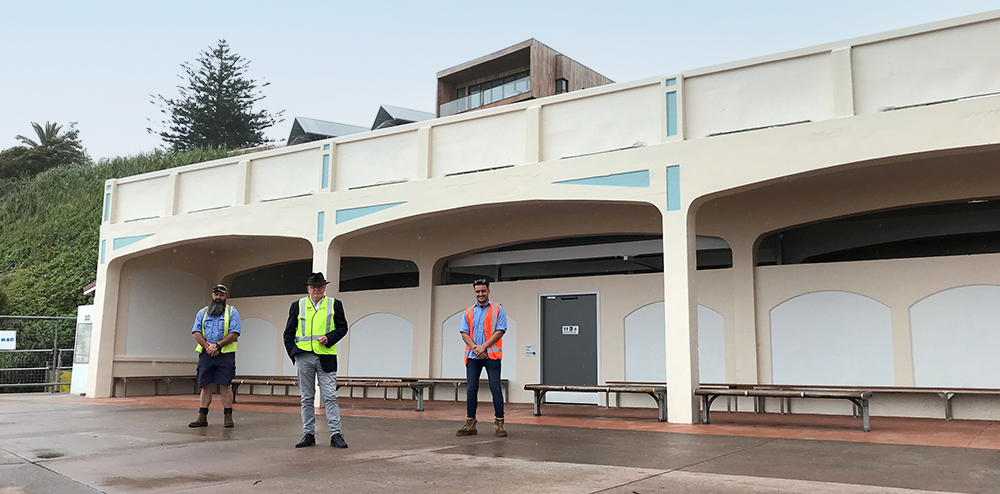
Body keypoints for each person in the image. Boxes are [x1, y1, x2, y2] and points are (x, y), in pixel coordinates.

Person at [284, 272, 349, 448]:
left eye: (320, 286)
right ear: (308, 288)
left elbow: (343, 328)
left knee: (330, 396)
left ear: (324, 288)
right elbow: (288, 333)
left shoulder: (334, 304)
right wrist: (294, 353)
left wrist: (330, 338)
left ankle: (335, 434)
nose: (317, 289)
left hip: (326, 356)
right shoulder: (298, 305)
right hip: (303, 356)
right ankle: (309, 434)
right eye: (313, 287)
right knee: (307, 397)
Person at [456, 279, 507, 437]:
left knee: (495, 389)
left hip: (491, 356)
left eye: (483, 291)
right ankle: (470, 424)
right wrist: (475, 348)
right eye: (477, 291)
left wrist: (483, 347)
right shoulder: (468, 311)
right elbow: (464, 333)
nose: (480, 294)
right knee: (471, 390)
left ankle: (500, 424)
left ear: (488, 291)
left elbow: (500, 330)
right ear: (474, 292)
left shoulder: (498, 309)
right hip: (473, 356)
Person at [188, 284, 241, 428]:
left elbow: (234, 333)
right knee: (205, 386)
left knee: (225, 385)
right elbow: (196, 332)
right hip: (206, 354)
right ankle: (202, 417)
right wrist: (208, 347)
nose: (218, 297)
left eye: (221, 295)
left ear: (225, 296)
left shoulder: (232, 312)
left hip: (225, 354)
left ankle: (228, 416)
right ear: (212, 295)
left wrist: (217, 346)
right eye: (216, 294)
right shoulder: (202, 312)